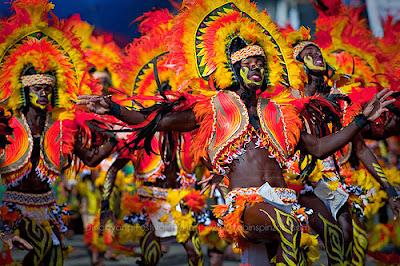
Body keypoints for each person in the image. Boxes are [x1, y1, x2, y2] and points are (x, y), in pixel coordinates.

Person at [77, 0, 394, 264]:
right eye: (248, 63)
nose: (256, 67)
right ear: (233, 70)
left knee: (333, 231)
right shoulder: (215, 108)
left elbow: (319, 148)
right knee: (288, 227)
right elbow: (158, 121)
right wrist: (115, 109)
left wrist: (360, 122)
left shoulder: (278, 110)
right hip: (245, 205)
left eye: (260, 62)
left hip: (285, 197)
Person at [0, 1, 120, 265]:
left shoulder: (61, 125)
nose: (42, 94)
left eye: (46, 89)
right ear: (24, 91)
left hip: (49, 209)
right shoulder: (7, 125)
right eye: (36, 89)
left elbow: (90, 159)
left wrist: (117, 137)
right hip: (11, 211)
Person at [286, 26, 400, 265]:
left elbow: (359, 148)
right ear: (298, 66)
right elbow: (316, 148)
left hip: (333, 183)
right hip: (299, 184)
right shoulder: (288, 104)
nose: (318, 55)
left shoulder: (338, 104)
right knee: (323, 240)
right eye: (309, 53)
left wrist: (389, 189)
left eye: (319, 53)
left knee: (348, 236)